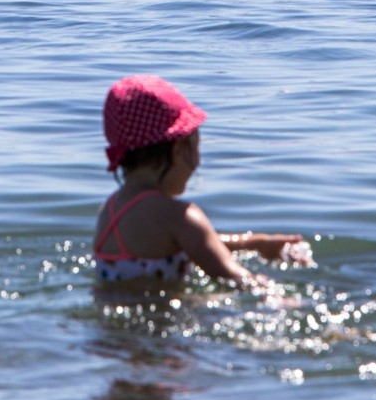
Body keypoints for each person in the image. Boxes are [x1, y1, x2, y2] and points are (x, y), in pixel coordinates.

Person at [94, 74, 309, 285]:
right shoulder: (180, 216)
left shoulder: (109, 210)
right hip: (166, 309)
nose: (196, 163)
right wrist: (275, 292)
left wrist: (256, 244)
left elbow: (195, 243)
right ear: (178, 150)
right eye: (196, 146)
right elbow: (232, 275)